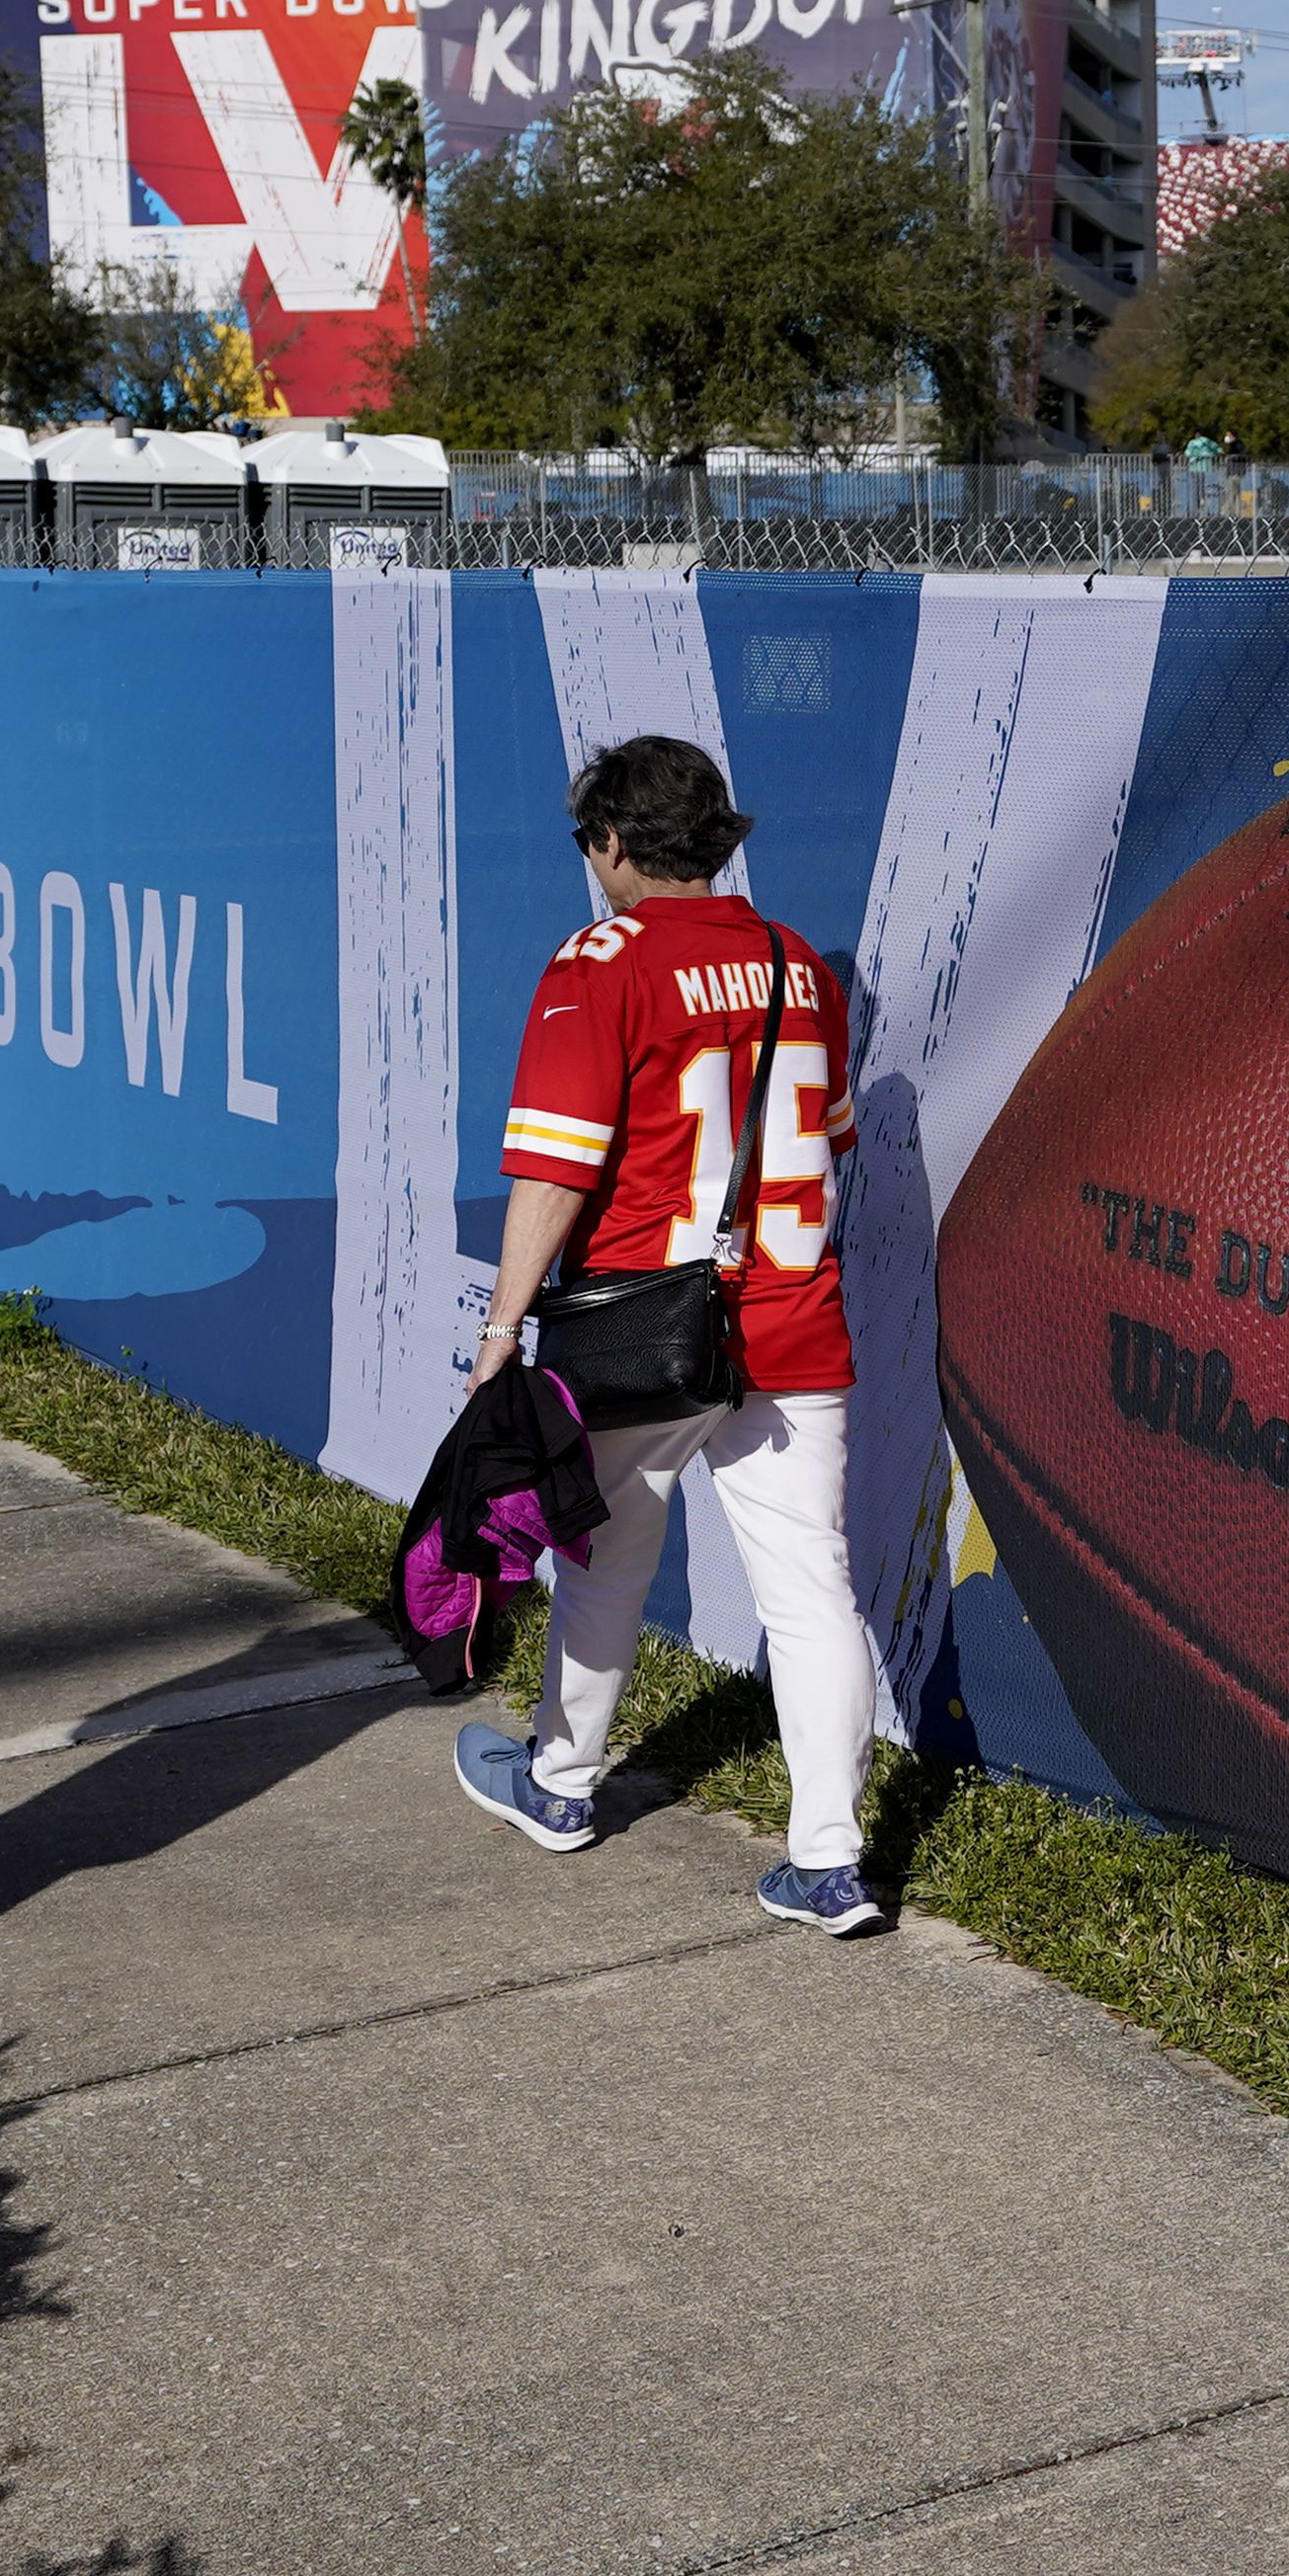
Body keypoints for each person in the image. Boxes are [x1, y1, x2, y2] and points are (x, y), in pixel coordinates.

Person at [452, 735, 887, 1937]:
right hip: (791, 1323)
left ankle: (560, 1785)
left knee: (601, 1564)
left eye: (589, 841)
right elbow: (831, 1136)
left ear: (615, 844)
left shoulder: (600, 961)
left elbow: (552, 1173)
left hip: (640, 1330)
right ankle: (831, 1860)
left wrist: (499, 1329)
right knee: (812, 1591)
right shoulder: (801, 962)